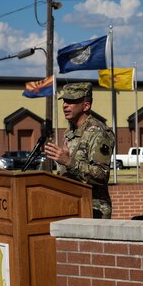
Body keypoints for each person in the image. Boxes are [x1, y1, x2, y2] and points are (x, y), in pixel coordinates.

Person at [45, 82, 115, 219]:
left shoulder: (98, 132)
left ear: (86, 106)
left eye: (71, 101)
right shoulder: (70, 131)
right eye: (64, 101)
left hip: (94, 210)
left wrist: (69, 162)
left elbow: (101, 175)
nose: (65, 105)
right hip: (72, 204)